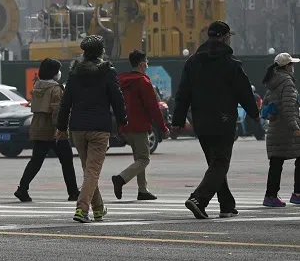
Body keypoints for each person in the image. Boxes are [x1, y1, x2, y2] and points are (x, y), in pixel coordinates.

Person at [172, 21, 259, 219]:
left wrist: (177, 120)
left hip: (200, 121)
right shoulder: (231, 63)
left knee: (215, 163)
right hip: (223, 120)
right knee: (220, 162)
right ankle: (198, 199)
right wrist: (254, 113)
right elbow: (244, 91)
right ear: (225, 37)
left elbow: (182, 94)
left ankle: (227, 205)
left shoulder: (193, 62)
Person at [56, 35, 126, 223]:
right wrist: (122, 122)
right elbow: (117, 99)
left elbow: (66, 102)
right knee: (92, 171)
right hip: (99, 127)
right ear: (101, 51)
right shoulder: (107, 71)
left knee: (89, 170)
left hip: (77, 128)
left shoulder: (74, 72)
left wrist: (61, 126)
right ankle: (81, 209)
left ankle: (98, 209)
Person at [15, 58, 79, 203]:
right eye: (58, 70)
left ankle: (22, 188)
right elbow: (57, 111)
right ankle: (73, 192)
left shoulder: (37, 86)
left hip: (38, 128)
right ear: (54, 72)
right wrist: (61, 128)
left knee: (36, 161)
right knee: (67, 161)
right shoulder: (55, 89)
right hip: (53, 130)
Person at [111, 50, 169, 201]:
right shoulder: (143, 81)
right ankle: (121, 178)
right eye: (147, 63)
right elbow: (153, 107)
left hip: (125, 126)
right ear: (142, 64)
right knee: (144, 159)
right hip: (140, 125)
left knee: (138, 157)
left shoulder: (121, 80)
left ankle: (142, 190)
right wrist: (163, 127)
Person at [261, 53, 300, 207]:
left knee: (276, 163)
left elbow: (265, 107)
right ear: (286, 67)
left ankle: (270, 196)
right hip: (287, 130)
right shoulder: (288, 83)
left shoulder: (271, 83)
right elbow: (289, 107)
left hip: (275, 130)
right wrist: (295, 127)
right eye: (292, 64)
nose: (293, 67)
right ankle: (297, 194)